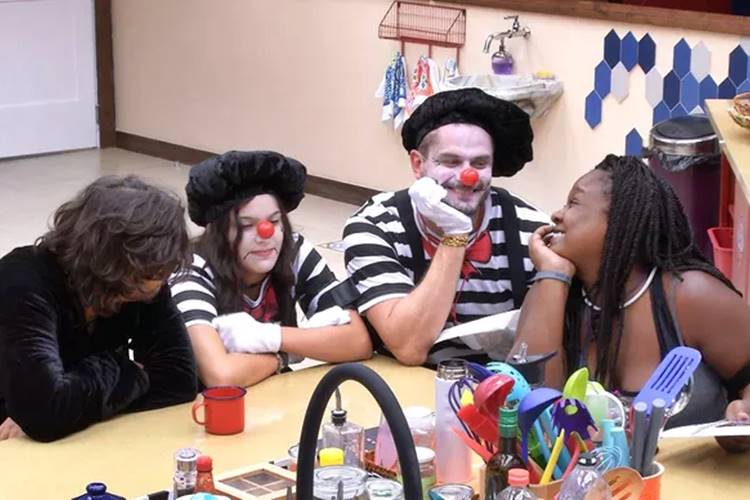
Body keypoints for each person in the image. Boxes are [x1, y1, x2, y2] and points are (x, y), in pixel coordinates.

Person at [515, 154, 750, 452]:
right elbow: (530, 411)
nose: (556, 215)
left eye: (573, 203)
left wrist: (741, 416)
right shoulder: (552, 291)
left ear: (618, 220)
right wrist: (552, 275)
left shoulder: (689, 295)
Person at [343, 88, 549, 366]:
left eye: (480, 163)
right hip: (406, 383)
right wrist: (455, 234)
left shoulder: (532, 231)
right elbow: (409, 347)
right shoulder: (374, 227)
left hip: (503, 380)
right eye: (451, 161)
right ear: (418, 164)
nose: (468, 175)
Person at [0, 176, 197, 442]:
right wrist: (126, 368)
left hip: (76, 438)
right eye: (150, 275)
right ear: (110, 260)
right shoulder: (23, 281)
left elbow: (180, 380)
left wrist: (69, 402)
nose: (160, 281)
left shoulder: (143, 281)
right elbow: (44, 414)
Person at [169, 150, 372, 388]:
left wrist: (269, 337)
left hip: (276, 394)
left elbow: (359, 340)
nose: (266, 235)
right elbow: (221, 376)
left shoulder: (293, 251)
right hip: (206, 405)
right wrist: (286, 353)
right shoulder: (190, 271)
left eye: (274, 221)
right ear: (218, 232)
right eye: (246, 225)